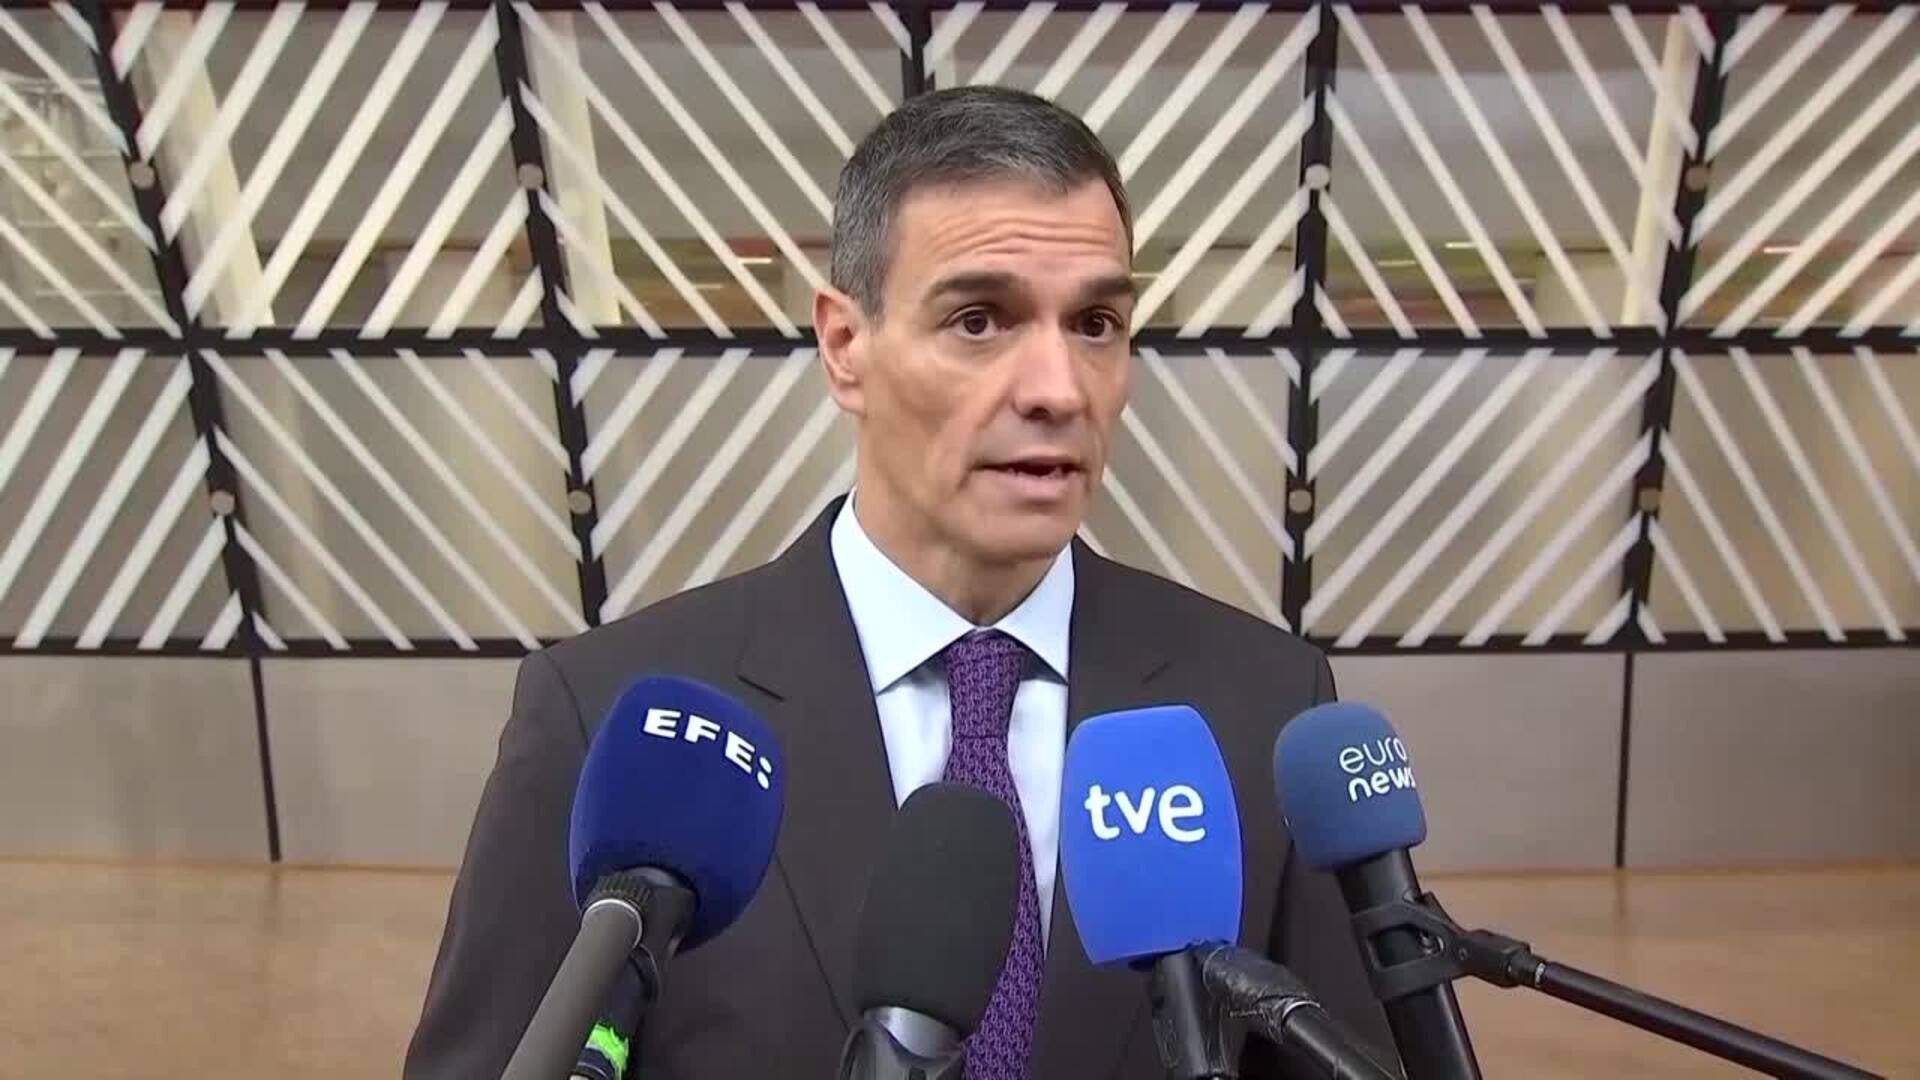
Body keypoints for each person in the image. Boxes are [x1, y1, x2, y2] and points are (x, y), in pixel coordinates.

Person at [404, 85, 1394, 1079]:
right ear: (845, 347)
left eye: (1096, 322)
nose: (1058, 389)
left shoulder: (1263, 706)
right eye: (979, 320)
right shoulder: (609, 718)